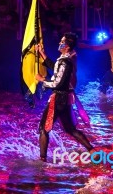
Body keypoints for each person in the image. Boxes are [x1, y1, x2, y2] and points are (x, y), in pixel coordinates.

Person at [35, 33, 94, 162]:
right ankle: (92, 150)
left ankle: (42, 160)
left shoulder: (66, 61)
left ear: (67, 46)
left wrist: (42, 80)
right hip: (64, 99)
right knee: (70, 129)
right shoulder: (64, 59)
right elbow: (55, 68)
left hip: (58, 99)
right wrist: (41, 53)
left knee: (43, 129)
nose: (59, 43)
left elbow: (58, 83)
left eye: (62, 41)